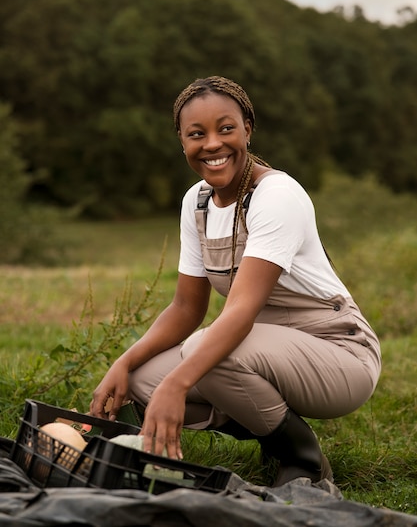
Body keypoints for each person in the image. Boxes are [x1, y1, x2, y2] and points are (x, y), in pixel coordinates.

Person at [90, 75, 381, 487]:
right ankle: (268, 426)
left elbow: (241, 311)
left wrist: (179, 383)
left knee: (204, 354)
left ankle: (304, 460)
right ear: (181, 140)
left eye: (226, 129)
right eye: (197, 134)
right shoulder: (198, 201)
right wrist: (124, 363)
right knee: (142, 381)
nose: (212, 144)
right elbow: (186, 308)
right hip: (264, 347)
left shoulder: (277, 196)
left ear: (248, 127)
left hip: (339, 353)